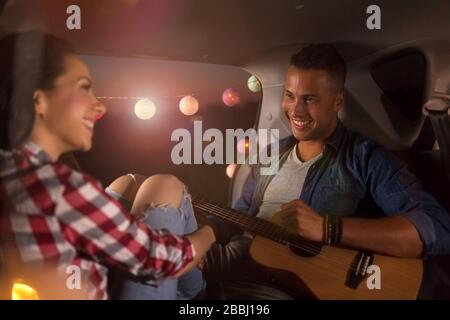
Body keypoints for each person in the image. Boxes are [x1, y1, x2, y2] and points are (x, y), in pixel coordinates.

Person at [202, 43, 450, 299]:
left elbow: (437, 228)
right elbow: (238, 217)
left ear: (338, 101)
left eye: (309, 99)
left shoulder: (364, 157)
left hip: (287, 289)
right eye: (290, 95)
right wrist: (201, 235)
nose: (296, 110)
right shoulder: (268, 156)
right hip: (235, 267)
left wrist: (328, 228)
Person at [0, 31, 223, 300]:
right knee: (163, 184)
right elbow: (164, 261)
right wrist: (212, 231)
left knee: (131, 183)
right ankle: (201, 297)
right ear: (39, 101)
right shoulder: (55, 187)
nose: (99, 107)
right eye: (83, 87)